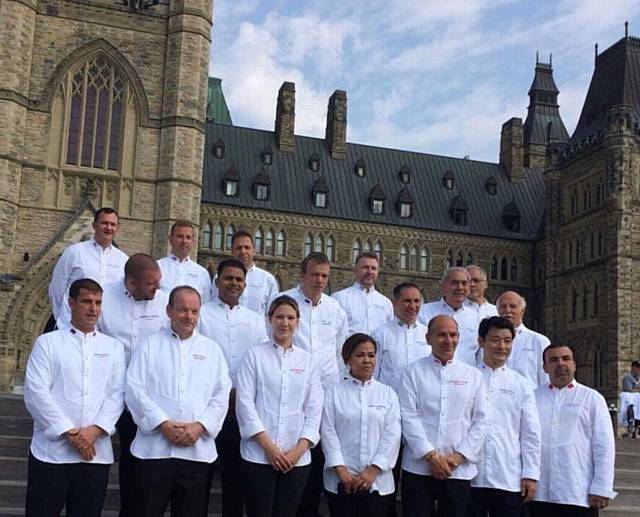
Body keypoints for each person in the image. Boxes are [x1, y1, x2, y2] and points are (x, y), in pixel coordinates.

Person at [125, 286, 231, 517]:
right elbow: (134, 388)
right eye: (183, 310)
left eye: (194, 311)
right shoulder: (149, 345)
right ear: (168, 310)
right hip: (154, 451)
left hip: (197, 452)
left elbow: (221, 395)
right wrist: (163, 424)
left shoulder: (211, 350)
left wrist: (200, 426)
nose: (189, 316)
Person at [24, 278, 125, 517]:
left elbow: (117, 393)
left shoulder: (113, 348)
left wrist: (93, 432)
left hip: (95, 455)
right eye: (86, 301)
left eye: (98, 303)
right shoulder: (47, 343)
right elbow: (36, 391)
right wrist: (70, 432)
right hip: (51, 453)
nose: (93, 308)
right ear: (71, 303)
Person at [235, 295, 324, 517]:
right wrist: (270, 449)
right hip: (258, 455)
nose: (285, 322)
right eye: (280, 317)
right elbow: (245, 404)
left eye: (290, 318)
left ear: (298, 322)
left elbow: (314, 409)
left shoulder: (308, 361)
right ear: (270, 319)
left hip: (297, 459)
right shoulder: (254, 356)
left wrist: (298, 451)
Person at [98, 253, 169, 517]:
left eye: (159, 281)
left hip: (146, 398)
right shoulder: (104, 299)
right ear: (131, 282)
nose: (157, 288)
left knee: (137, 462)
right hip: (107, 393)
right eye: (151, 283)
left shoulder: (164, 303)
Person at [398, 314, 489, 517]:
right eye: (441, 335)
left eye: (453, 335)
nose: (448, 341)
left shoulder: (473, 376)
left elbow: (482, 421)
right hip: (419, 467)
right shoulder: (411, 372)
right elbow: (407, 415)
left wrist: (457, 457)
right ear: (428, 338)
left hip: (458, 469)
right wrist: (430, 456)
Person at [280, 252, 349, 517]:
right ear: (303, 274)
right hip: (295, 392)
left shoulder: (335, 309)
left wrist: (337, 385)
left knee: (320, 455)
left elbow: (341, 351)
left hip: (328, 392)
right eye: (315, 274)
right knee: (298, 450)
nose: (320, 280)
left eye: (324, 276)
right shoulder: (285, 302)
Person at [199, 258, 268, 517]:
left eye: (239, 279)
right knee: (201, 478)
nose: (234, 283)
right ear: (217, 282)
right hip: (206, 407)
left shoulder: (255, 320)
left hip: (242, 408)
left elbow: (261, 361)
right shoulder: (202, 314)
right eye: (228, 278)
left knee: (235, 481)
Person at [531, 344, 616, 517]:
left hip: (578, 492)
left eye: (566, 359)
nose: (560, 364)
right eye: (553, 360)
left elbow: (604, 445)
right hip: (539, 492)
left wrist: (602, 487)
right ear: (545, 367)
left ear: (575, 365)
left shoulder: (592, 398)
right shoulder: (533, 397)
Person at [321, 333, 401, 517]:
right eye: (360, 355)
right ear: (347, 358)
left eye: (371, 355)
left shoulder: (388, 394)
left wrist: (373, 470)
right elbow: (328, 433)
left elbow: (392, 435)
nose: (366, 360)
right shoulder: (333, 393)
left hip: (378, 482)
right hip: (341, 481)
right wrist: (342, 471)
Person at [470, 316, 541, 517]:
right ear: (481, 341)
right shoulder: (468, 378)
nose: (502, 346)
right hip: (471, 475)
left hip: (508, 476)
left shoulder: (522, 384)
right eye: (495, 339)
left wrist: (530, 474)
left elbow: (531, 433)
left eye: (507, 340)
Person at [48, 207, 128, 329]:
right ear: (94, 225)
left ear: (118, 228)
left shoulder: (123, 260)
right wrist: (62, 317)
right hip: (70, 326)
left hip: (105, 330)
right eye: (104, 223)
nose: (108, 228)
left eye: (112, 224)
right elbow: (57, 288)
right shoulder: (74, 252)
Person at [373, 282, 431, 393]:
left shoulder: (428, 334)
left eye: (416, 301)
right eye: (407, 301)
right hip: (390, 400)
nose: (413, 306)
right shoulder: (380, 334)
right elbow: (374, 374)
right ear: (394, 303)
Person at [418, 267, 480, 366]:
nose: (460, 287)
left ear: (468, 288)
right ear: (444, 286)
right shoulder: (424, 312)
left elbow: (480, 354)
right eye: (454, 283)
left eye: (464, 283)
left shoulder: (476, 318)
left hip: (466, 377)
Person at [212, 230, 279, 315]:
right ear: (232, 251)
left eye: (247, 247)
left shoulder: (268, 279)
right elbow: (214, 305)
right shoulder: (221, 278)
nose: (243, 252)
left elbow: (273, 313)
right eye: (238, 248)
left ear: (254, 250)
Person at [332, 253, 393, 335]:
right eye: (365, 267)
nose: (370, 271)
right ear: (355, 270)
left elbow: (389, 333)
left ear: (378, 272)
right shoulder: (339, 298)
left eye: (373, 268)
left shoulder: (386, 303)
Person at [496, 291, 549, 387]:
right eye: (503, 306)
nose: (507, 310)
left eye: (512, 306)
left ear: (522, 310)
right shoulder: (488, 341)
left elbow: (546, 380)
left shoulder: (539, 341)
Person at [157, 220, 212, 303]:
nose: (184, 241)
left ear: (193, 241)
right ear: (170, 239)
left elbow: (205, 304)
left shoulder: (202, 273)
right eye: (180, 236)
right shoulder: (158, 267)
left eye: (188, 237)